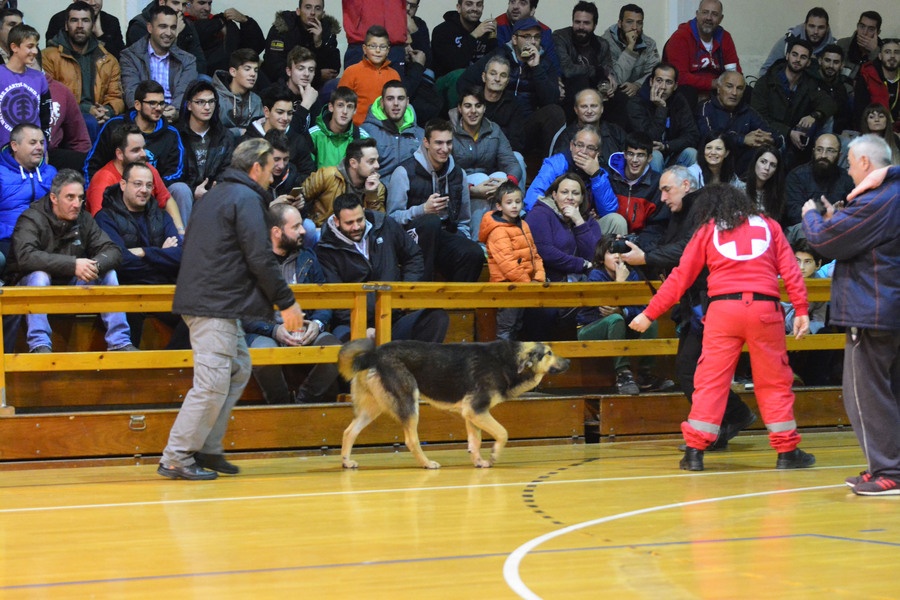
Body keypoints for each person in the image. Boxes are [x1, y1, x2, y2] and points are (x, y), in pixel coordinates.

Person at [630, 183, 815, 472]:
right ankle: (786, 451)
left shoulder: (708, 230)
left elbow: (680, 277)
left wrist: (649, 314)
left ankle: (694, 451)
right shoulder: (769, 225)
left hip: (722, 311)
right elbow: (791, 269)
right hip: (765, 310)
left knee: (710, 382)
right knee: (774, 382)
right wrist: (801, 309)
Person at [159, 138, 304, 480]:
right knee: (211, 384)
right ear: (256, 168)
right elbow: (259, 257)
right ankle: (177, 456)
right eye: (271, 169)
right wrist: (286, 302)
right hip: (214, 304)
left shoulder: (218, 194)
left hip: (214, 301)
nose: (274, 175)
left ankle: (207, 448)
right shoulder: (245, 198)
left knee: (238, 369)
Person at [620, 166, 757, 449]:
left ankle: (725, 422)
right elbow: (675, 251)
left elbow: (688, 250)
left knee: (690, 369)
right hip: (699, 305)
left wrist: (646, 258)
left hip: (710, 305)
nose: (662, 197)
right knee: (692, 370)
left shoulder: (700, 210)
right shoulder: (681, 213)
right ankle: (727, 421)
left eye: (667, 189)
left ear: (686, 184)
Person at [802, 134, 899, 495]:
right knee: (890, 392)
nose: (846, 169)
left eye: (849, 162)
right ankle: (889, 465)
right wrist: (840, 220)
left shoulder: (878, 199)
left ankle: (889, 471)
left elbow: (827, 241)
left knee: (866, 393)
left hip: (873, 310)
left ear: (864, 163)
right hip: (890, 308)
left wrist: (812, 217)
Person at [7, 169, 136, 354]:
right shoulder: (31, 218)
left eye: (80, 198)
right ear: (53, 197)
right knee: (39, 276)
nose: (77, 204)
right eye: (70, 197)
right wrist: (73, 264)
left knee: (108, 272)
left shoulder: (84, 219)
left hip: (70, 284)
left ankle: (120, 342)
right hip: (27, 288)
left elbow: (113, 251)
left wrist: (94, 265)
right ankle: (39, 345)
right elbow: (26, 257)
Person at [315, 193, 449, 343]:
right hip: (351, 324)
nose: (356, 226)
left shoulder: (384, 224)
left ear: (364, 211)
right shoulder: (325, 249)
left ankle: (415, 366)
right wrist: (362, 328)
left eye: (360, 219)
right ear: (336, 221)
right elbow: (337, 297)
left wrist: (403, 294)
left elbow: (413, 256)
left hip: (393, 316)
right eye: (349, 223)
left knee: (436, 317)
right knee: (345, 341)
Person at [244, 201, 340, 404]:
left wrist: (317, 324)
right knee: (263, 353)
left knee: (335, 349)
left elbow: (324, 300)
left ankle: (303, 403)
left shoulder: (308, 257)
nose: (304, 231)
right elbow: (243, 313)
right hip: (265, 330)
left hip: (304, 327)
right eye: (296, 227)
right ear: (277, 232)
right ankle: (280, 407)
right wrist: (274, 330)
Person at [93, 161, 185, 348]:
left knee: (199, 314)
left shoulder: (162, 215)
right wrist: (161, 255)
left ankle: (167, 369)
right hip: (127, 291)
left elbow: (182, 256)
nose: (144, 190)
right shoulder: (105, 217)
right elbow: (120, 261)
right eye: (138, 184)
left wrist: (145, 252)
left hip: (162, 290)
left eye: (149, 185)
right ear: (123, 184)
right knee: (127, 317)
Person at [387, 118, 484, 282]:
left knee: (474, 252)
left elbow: (464, 220)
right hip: (411, 238)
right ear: (426, 142)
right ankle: (422, 298)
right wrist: (422, 210)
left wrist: (462, 242)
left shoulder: (458, 174)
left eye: (449, 143)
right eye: (439, 143)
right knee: (431, 222)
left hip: (444, 235)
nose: (445, 149)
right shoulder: (404, 172)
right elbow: (392, 219)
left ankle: (456, 305)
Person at [85, 80, 188, 226]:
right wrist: (91, 190)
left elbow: (176, 173)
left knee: (181, 189)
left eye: (161, 103)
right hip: (114, 193)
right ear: (138, 105)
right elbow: (93, 162)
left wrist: (146, 188)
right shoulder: (114, 126)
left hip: (150, 196)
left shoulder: (170, 135)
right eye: (152, 103)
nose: (158, 108)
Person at [457, 17, 564, 158]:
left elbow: (551, 100)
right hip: (496, 123)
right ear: (514, 39)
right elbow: (464, 82)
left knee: (555, 112)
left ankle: (550, 167)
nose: (532, 41)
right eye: (526, 36)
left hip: (526, 124)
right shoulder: (499, 56)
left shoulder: (544, 64)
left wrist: (536, 68)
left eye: (537, 37)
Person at [578, 234, 671, 395]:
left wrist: (625, 311)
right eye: (611, 252)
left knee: (650, 320)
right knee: (615, 319)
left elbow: (642, 308)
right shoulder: (596, 275)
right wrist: (619, 284)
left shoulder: (633, 274)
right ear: (601, 259)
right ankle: (623, 374)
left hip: (621, 327)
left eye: (620, 252)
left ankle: (645, 375)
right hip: (590, 328)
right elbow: (606, 310)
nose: (617, 256)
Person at [523, 172, 600, 340]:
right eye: (565, 192)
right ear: (554, 194)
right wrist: (581, 264)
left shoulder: (588, 221)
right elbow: (545, 252)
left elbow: (595, 255)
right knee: (545, 310)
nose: (570, 197)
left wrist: (579, 221)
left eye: (575, 193)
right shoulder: (540, 214)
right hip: (548, 284)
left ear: (582, 198)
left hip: (581, 287)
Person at [42, 1, 124, 141]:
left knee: (123, 124)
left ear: (93, 25)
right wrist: (87, 110)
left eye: (85, 20)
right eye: (74, 20)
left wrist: (106, 111)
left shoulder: (108, 60)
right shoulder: (48, 56)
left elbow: (116, 97)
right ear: (67, 26)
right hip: (66, 117)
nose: (80, 26)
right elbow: (52, 98)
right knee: (90, 123)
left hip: (100, 115)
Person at [85, 122, 184, 236]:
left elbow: (167, 200)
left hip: (150, 234)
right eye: (136, 150)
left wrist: (179, 231)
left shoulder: (148, 169)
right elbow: (101, 225)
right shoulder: (103, 179)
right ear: (120, 154)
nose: (143, 154)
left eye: (144, 148)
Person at [751, 38, 837, 169]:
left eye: (803, 57)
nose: (797, 60)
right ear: (787, 55)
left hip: (798, 137)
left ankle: (821, 159)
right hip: (772, 134)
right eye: (794, 55)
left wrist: (814, 115)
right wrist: (788, 133)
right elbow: (758, 117)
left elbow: (829, 103)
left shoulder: (809, 83)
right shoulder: (766, 82)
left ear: (808, 62)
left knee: (827, 118)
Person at [449, 87, 522, 240]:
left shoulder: (493, 129)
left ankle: (504, 236)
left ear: (484, 108)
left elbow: (511, 162)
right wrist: (471, 189)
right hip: (459, 186)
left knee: (501, 175)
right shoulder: (450, 131)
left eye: (478, 106)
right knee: (481, 178)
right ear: (460, 109)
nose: (473, 111)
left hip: (488, 184)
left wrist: (507, 182)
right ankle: (479, 240)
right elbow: (445, 171)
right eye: (468, 106)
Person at [524, 125, 620, 237]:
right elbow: (532, 199)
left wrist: (595, 175)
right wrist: (562, 216)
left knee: (616, 220)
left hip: (586, 225)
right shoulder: (556, 164)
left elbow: (609, 211)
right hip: (556, 222)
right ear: (571, 146)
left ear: (598, 152)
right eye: (579, 145)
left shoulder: (599, 172)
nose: (583, 152)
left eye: (590, 148)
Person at [478, 181, 544, 340]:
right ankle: (502, 362)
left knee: (518, 325)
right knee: (506, 328)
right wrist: (528, 284)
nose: (514, 206)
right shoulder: (498, 231)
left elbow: (534, 254)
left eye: (517, 202)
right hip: (508, 287)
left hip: (524, 285)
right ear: (499, 206)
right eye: (509, 203)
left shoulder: (524, 224)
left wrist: (539, 278)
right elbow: (508, 264)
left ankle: (514, 361)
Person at [119, 4, 198, 117]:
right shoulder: (130, 56)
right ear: (150, 28)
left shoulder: (188, 60)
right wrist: (153, 112)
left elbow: (184, 94)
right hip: (142, 117)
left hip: (174, 117)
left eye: (173, 27)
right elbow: (132, 92)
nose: (169, 33)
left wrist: (175, 111)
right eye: (163, 26)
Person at [696, 71, 778, 174]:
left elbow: (773, 134)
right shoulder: (706, 108)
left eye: (739, 88)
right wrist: (743, 139)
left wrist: (767, 139)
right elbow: (709, 137)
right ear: (718, 88)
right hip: (712, 162)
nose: (734, 93)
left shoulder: (747, 111)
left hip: (740, 164)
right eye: (729, 86)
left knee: (765, 151)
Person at [662, 0, 741, 105]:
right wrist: (711, 84)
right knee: (687, 92)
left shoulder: (725, 37)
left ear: (721, 19)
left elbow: (735, 72)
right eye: (705, 12)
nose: (709, 18)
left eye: (714, 14)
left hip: (718, 89)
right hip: (689, 90)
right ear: (697, 14)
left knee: (746, 92)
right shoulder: (680, 37)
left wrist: (728, 86)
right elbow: (679, 76)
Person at [0, 124, 57, 268]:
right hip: (7, 241)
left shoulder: (51, 173)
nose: (39, 147)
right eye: (33, 143)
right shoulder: (1, 174)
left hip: (44, 241)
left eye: (42, 143)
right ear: (15, 146)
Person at [626, 62, 699, 172]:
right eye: (659, 80)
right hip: (644, 157)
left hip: (671, 153)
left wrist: (667, 146)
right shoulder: (636, 103)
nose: (663, 87)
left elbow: (693, 135)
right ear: (651, 82)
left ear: (675, 86)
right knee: (656, 155)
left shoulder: (679, 101)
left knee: (692, 153)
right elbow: (648, 140)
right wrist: (661, 109)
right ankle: (657, 189)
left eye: (669, 82)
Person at [301, 137, 386, 227]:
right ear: (353, 163)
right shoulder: (327, 176)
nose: (377, 165)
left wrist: (372, 194)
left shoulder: (378, 187)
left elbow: (378, 224)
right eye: (371, 161)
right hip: (323, 232)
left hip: (357, 234)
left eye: (377, 160)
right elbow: (298, 198)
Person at [239, 86, 315, 184]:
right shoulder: (247, 142)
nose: (285, 118)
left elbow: (309, 175)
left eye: (290, 113)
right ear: (266, 111)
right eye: (280, 112)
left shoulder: (298, 140)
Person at [176, 79, 234, 204]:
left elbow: (228, 170)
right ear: (189, 105)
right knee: (181, 190)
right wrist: (192, 191)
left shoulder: (224, 136)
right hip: (184, 197)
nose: (207, 107)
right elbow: (171, 174)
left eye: (211, 101)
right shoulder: (176, 135)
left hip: (217, 197)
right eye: (200, 102)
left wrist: (216, 189)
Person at [262, 0, 341, 87]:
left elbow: (333, 70)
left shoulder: (327, 30)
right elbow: (274, 67)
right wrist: (317, 76)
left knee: (335, 85)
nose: (312, 12)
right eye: (308, 7)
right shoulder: (283, 28)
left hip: (314, 87)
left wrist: (319, 44)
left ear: (322, 13)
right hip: (280, 84)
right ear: (298, 11)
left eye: (317, 8)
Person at [783, 133, 854, 227]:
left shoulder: (847, 179)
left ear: (839, 155)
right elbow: (795, 215)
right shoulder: (797, 176)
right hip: (803, 228)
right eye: (819, 150)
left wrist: (841, 214)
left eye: (830, 151)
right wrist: (827, 213)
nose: (823, 155)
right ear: (813, 151)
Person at [360, 80, 423, 183]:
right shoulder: (366, 132)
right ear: (382, 102)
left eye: (400, 98)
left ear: (407, 102)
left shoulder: (420, 134)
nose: (396, 103)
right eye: (390, 99)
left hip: (412, 194)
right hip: (376, 192)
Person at [338, 25, 401, 128]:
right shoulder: (351, 71)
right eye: (372, 46)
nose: (377, 50)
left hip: (386, 130)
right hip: (357, 129)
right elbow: (340, 103)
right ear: (364, 48)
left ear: (388, 50)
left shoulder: (394, 75)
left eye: (382, 47)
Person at [0, 24, 51, 149]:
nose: (35, 51)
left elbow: (45, 119)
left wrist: (44, 148)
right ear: (14, 47)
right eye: (30, 46)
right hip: (4, 151)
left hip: (33, 152)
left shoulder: (39, 77)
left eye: (36, 46)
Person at [183, 0, 265, 77]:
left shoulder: (222, 21)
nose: (207, 8)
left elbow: (254, 48)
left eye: (209, 3)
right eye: (202, 3)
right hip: (205, 76)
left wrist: (246, 21)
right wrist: (219, 23)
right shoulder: (179, 23)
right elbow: (197, 32)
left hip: (233, 74)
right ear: (188, 3)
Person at [126, 0, 207, 75]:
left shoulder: (187, 25)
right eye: (175, 3)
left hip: (184, 76)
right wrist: (174, 34)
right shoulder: (140, 25)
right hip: (149, 82)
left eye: (184, 4)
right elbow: (151, 66)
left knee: (204, 79)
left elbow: (201, 65)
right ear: (162, 2)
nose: (180, 9)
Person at [600, 4, 660, 105]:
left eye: (639, 23)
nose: (634, 28)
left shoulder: (649, 44)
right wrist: (630, 48)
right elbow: (616, 80)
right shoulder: (605, 43)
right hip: (615, 93)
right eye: (629, 22)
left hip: (640, 91)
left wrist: (637, 85)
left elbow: (654, 73)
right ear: (620, 23)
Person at [552, 1, 612, 102]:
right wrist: (598, 71)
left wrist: (609, 84)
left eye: (586, 23)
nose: (581, 27)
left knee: (621, 97)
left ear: (595, 25)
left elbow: (608, 70)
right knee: (581, 81)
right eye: (577, 22)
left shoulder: (602, 44)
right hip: (568, 90)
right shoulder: (560, 37)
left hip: (596, 91)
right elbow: (567, 70)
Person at [552, 88, 626, 168]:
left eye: (594, 106)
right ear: (576, 110)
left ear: (602, 109)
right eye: (584, 106)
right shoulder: (566, 137)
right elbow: (556, 169)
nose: (589, 111)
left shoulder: (615, 131)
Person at [606, 132, 661, 234]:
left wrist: (638, 244)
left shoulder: (657, 184)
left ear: (649, 158)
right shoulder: (610, 177)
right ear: (625, 155)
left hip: (640, 242)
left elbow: (656, 227)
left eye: (640, 155)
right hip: (610, 237)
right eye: (631, 154)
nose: (634, 160)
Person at [758, 7, 834, 78]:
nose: (815, 32)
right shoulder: (787, 42)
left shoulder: (834, 50)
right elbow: (764, 71)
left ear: (827, 28)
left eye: (821, 27)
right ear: (805, 26)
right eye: (811, 26)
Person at [430, 0, 497, 79]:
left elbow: (493, 62)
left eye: (479, 5)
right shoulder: (442, 31)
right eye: (469, 4)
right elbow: (452, 66)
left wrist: (493, 38)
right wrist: (474, 35)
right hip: (448, 82)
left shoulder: (485, 31)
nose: (475, 8)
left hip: (477, 82)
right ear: (459, 7)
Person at [308, 86, 369, 169]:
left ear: (355, 110)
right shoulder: (313, 135)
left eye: (350, 107)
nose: (345, 111)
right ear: (331, 107)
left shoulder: (363, 138)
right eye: (340, 105)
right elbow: (306, 171)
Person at [494, 0, 560, 75]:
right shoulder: (497, 25)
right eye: (512, 1)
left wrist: (556, 79)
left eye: (522, 3)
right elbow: (498, 60)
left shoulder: (545, 31)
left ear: (532, 10)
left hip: (534, 78)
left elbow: (554, 66)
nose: (515, 6)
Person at [211, 48, 263, 140]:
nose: (253, 74)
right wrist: (238, 132)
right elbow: (211, 131)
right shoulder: (215, 97)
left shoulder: (256, 100)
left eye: (256, 70)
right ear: (233, 72)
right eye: (247, 69)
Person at [45, 0, 124, 60]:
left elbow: (120, 59)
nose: (93, 2)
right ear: (75, 1)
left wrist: (100, 34)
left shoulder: (111, 21)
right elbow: (51, 55)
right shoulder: (59, 20)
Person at [855, 39, 900, 130]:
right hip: (873, 132)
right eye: (887, 52)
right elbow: (860, 114)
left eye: (897, 52)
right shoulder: (867, 76)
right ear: (880, 56)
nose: (892, 56)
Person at [813, 44, 854, 136]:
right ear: (820, 61)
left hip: (837, 134)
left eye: (836, 62)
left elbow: (844, 116)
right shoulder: (811, 82)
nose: (831, 66)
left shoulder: (842, 87)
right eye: (827, 61)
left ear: (842, 65)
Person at [739, 145, 786, 224]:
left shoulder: (777, 194)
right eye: (763, 162)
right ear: (755, 162)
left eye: (772, 165)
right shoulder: (739, 188)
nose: (767, 168)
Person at [835, 11, 882, 81]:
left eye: (871, 29)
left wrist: (874, 51)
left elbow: (881, 80)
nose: (864, 32)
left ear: (878, 33)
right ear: (857, 26)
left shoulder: (884, 52)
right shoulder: (842, 44)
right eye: (862, 26)